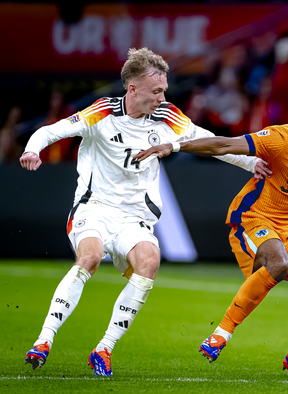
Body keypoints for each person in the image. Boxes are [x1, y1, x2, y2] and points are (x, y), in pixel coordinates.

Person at [20, 47, 269, 376]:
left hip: (135, 217)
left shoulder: (168, 116)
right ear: (133, 89)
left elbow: (211, 142)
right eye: (157, 90)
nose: (163, 96)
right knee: (90, 257)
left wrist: (252, 162)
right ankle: (44, 340)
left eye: (164, 89)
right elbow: (52, 130)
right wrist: (32, 149)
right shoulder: (101, 113)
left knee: (150, 262)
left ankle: (104, 348)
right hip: (94, 208)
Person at [135, 94, 288, 379]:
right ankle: (221, 334)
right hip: (254, 219)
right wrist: (174, 146)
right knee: (279, 264)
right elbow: (225, 144)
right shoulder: (281, 139)